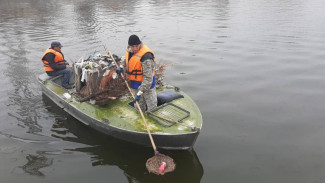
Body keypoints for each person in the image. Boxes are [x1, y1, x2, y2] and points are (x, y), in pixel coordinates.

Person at [118, 35, 157, 111]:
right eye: (133, 46)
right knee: (139, 105)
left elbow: (148, 78)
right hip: (135, 83)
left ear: (140, 44)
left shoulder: (146, 57)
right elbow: (126, 60)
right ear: (130, 46)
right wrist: (121, 66)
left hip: (147, 84)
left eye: (137, 46)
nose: (135, 48)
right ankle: (141, 115)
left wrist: (140, 92)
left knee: (152, 106)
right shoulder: (129, 50)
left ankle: (151, 117)